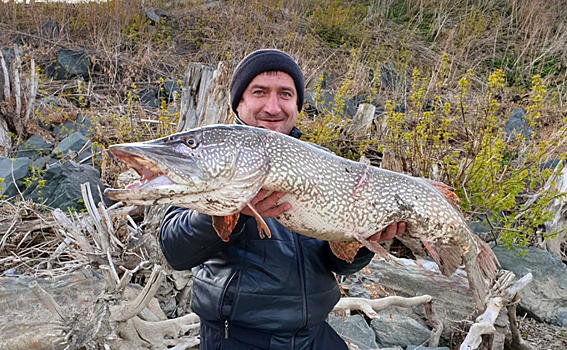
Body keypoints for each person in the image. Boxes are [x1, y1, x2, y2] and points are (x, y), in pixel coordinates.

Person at [159, 49, 406, 350]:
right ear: (239, 102)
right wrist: (232, 211)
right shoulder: (213, 156)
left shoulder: (323, 162)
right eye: (259, 92)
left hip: (312, 334)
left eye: (285, 94)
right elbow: (175, 251)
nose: (273, 107)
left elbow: (337, 263)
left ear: (297, 106)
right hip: (240, 337)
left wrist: (366, 240)